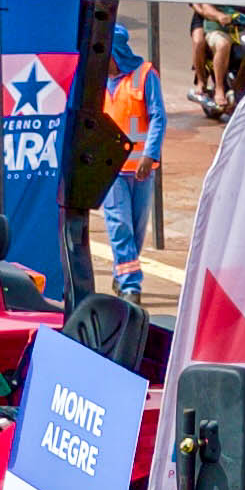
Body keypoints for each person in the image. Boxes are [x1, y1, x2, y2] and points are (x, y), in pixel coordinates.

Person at [99, 23, 161, 305]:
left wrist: (150, 155)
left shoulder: (145, 75)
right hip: (111, 168)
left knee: (135, 229)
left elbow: (158, 116)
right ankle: (130, 286)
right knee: (119, 224)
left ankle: (122, 271)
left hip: (142, 169)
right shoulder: (96, 80)